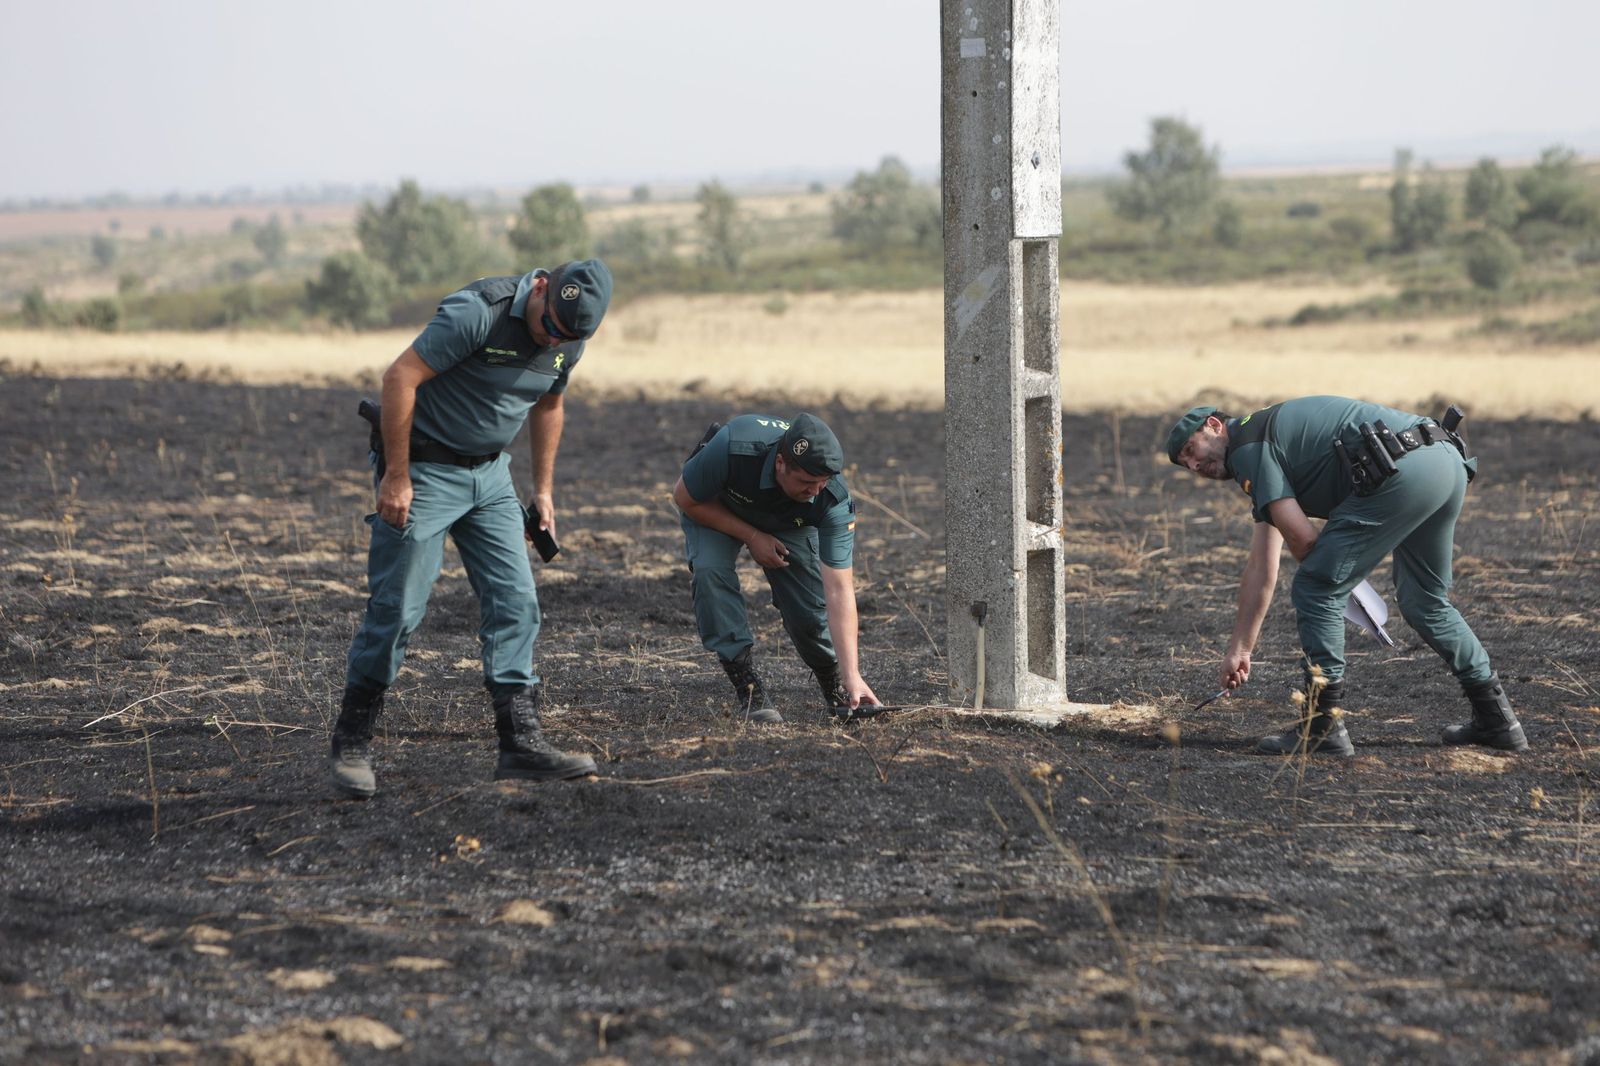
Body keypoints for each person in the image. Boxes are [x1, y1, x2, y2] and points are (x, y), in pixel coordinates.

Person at [329, 259, 613, 798]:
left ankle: (520, 744)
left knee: (516, 602)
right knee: (398, 608)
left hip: (492, 476)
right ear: (542, 286)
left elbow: (549, 404)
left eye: (566, 334)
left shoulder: (570, 334)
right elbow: (400, 377)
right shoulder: (477, 313)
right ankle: (352, 741)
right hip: (426, 470)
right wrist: (396, 473)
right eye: (549, 323)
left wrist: (543, 490)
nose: (550, 337)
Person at [1166, 395, 1529, 756]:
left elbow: (1305, 542)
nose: (1195, 464)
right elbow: (1262, 566)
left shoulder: (1247, 448)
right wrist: (1240, 649)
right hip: (1445, 462)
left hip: (1402, 468)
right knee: (1425, 601)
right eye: (1186, 463)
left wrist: (1337, 576)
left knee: (1315, 588)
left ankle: (1322, 726)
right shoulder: (1260, 444)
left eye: (1191, 449)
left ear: (1214, 426)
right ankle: (1497, 719)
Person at [672, 413, 881, 723]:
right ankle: (749, 686)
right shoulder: (734, 447)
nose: (816, 490)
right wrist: (753, 536)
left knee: (810, 613)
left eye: (823, 482)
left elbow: (839, 589)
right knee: (710, 572)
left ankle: (835, 686)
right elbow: (685, 498)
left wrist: (853, 674)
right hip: (718, 507)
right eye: (807, 482)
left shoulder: (832, 499)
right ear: (780, 463)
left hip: (789, 523)